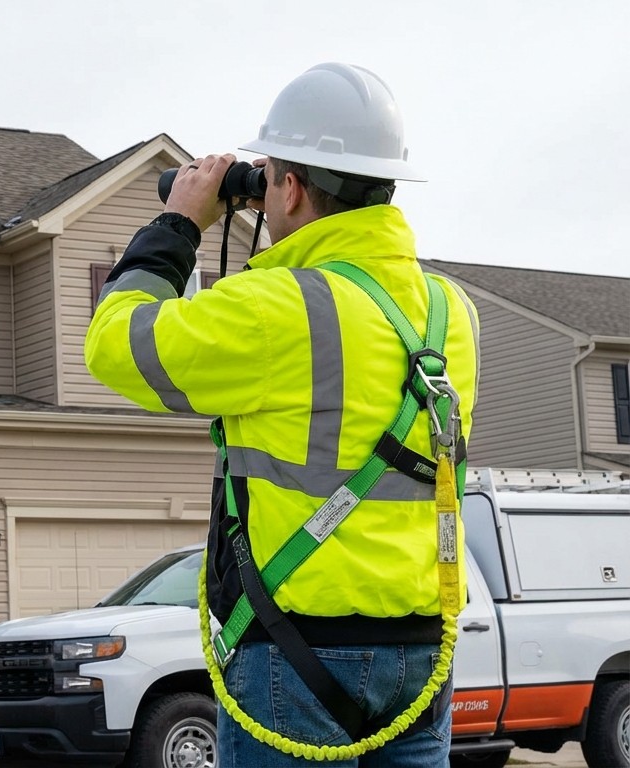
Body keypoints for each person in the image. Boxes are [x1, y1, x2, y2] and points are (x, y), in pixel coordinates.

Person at [85, 62, 480, 767]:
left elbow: (115, 343)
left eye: (267, 180)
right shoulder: (453, 312)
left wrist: (179, 222)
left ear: (291, 188)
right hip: (422, 648)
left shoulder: (278, 308)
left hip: (294, 649)